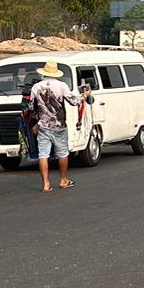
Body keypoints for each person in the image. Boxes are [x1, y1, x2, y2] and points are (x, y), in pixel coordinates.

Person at [30, 60, 87, 192]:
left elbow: (31, 107)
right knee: (62, 153)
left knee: (43, 155)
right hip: (59, 125)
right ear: (56, 73)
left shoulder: (36, 87)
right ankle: (63, 180)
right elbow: (74, 101)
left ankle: (45, 184)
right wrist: (84, 96)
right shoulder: (62, 85)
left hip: (43, 125)